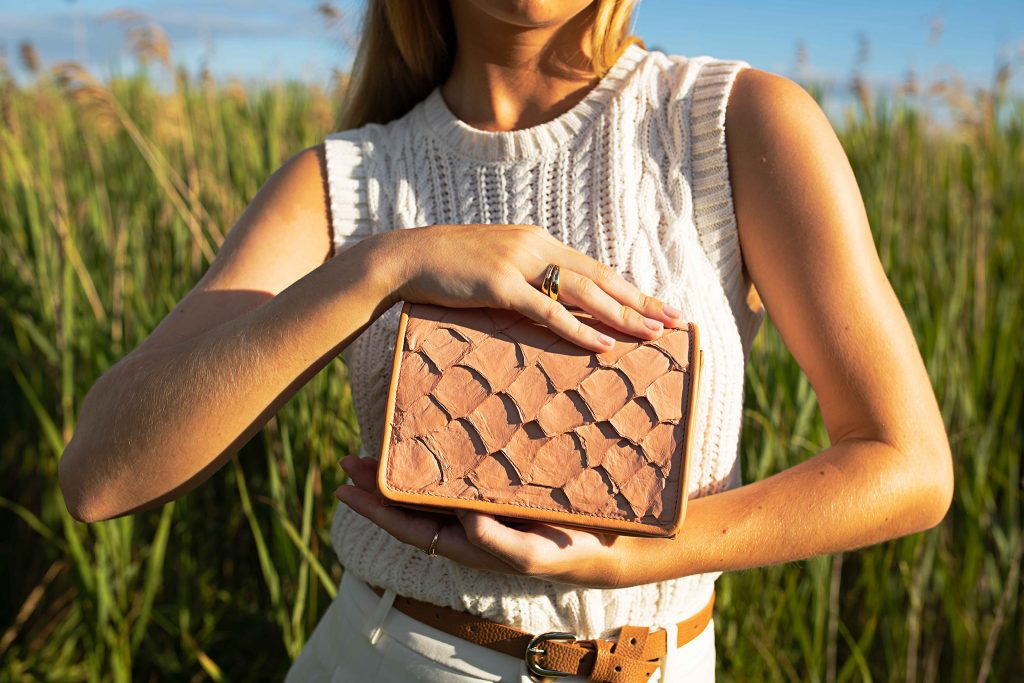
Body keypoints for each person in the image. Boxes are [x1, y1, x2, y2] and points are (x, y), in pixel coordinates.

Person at [58, 0, 954, 680]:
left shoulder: (729, 121)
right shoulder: (344, 182)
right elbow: (101, 473)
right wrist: (387, 265)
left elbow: (906, 463)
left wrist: (637, 555)